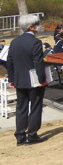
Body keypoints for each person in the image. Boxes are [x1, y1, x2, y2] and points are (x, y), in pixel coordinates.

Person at [6, 14, 47, 145]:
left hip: (19, 79)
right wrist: (42, 79)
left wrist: (12, 79)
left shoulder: (14, 41)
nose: (38, 26)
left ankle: (20, 136)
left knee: (21, 107)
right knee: (35, 106)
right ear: (31, 27)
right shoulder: (35, 42)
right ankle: (32, 134)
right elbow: (38, 63)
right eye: (36, 24)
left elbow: (10, 62)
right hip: (33, 79)